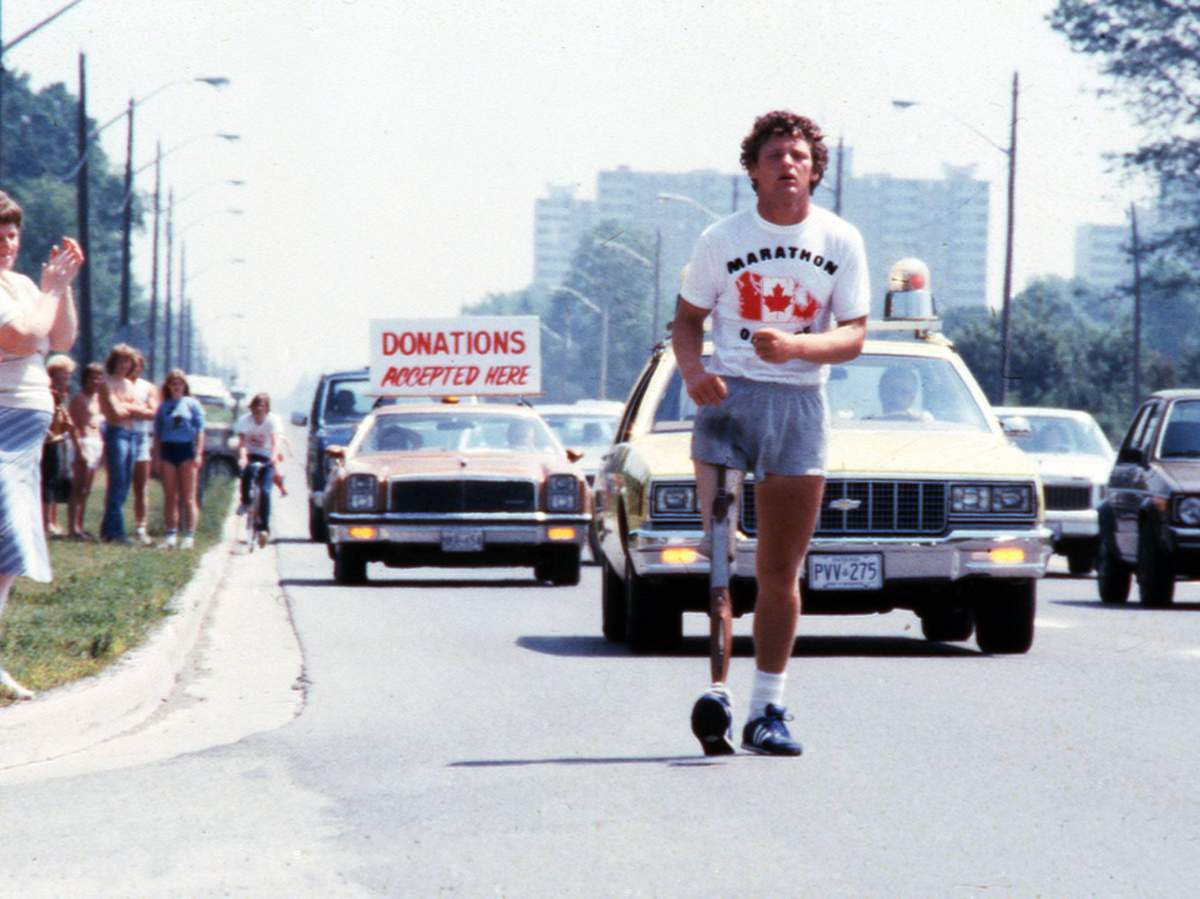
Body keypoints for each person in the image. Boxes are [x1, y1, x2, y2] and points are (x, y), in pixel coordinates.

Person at [674, 111, 870, 756]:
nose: (789, 164)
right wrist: (695, 371)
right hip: (729, 402)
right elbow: (686, 321)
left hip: (798, 404)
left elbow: (854, 335)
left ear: (815, 170)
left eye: (800, 156)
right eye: (776, 154)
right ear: (754, 168)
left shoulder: (839, 239)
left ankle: (769, 709)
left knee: (780, 568)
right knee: (721, 558)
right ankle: (718, 696)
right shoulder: (720, 238)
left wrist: (797, 346)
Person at [0, 189, 84, 700]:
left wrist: (62, 287)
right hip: (2, 425)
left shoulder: (23, 283)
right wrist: (50, 290)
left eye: (11, 235)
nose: (6, 245)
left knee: (6, 557)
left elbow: (62, 339)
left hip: (24, 437)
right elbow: (25, 339)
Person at [96, 343, 154, 543]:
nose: (124, 365)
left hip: (132, 436)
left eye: (127, 361)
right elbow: (116, 413)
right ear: (114, 362)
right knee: (117, 482)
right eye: (120, 360)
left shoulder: (129, 385)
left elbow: (149, 413)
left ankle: (108, 529)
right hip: (116, 434)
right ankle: (116, 532)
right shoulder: (106, 384)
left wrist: (126, 406)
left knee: (125, 484)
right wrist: (132, 407)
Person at [153, 369, 206, 550]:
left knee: (188, 497)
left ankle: (189, 536)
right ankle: (171, 535)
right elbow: (158, 434)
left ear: (184, 385)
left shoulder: (192, 404)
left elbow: (200, 430)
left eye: (180, 383)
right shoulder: (163, 407)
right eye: (173, 383)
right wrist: (157, 457)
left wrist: (198, 453)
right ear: (168, 386)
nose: (176, 387)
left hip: (186, 451)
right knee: (170, 496)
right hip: (168, 450)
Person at [235, 392, 281, 546]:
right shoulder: (245, 421)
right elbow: (241, 444)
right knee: (246, 473)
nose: (258, 410)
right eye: (255, 406)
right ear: (252, 407)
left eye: (262, 406)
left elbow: (275, 443)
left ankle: (264, 529)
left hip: (267, 458)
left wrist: (274, 457)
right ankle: (245, 501)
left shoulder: (272, 421)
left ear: (267, 408)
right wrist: (242, 457)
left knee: (266, 491)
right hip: (251, 455)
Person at [68, 362, 105, 540]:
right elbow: (72, 426)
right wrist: (79, 449)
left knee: (87, 489)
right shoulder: (78, 399)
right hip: (83, 443)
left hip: (96, 444)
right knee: (78, 487)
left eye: (99, 377)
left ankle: (80, 526)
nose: (96, 381)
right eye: (93, 377)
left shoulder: (99, 399)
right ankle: (72, 528)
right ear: (85, 379)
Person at [41, 353, 76, 536]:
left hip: (61, 438)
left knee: (57, 481)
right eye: (63, 372)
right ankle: (45, 522)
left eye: (68, 373)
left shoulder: (64, 392)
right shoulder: (48, 391)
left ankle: (53, 521)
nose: (66, 376)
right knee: (48, 481)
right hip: (48, 440)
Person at [129, 351, 159, 545]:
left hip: (141, 437)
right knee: (119, 485)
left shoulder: (147, 387)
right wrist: (141, 410)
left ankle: (141, 526)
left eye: (138, 365)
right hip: (121, 435)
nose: (134, 368)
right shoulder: (117, 383)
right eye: (131, 364)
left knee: (141, 486)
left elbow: (153, 412)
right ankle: (113, 526)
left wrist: (130, 409)